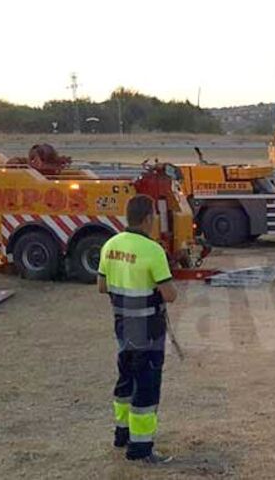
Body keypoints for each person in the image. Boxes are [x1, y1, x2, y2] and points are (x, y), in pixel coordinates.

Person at [97, 194, 178, 464]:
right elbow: (169, 294)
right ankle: (140, 449)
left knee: (125, 380)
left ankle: (122, 435)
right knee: (146, 386)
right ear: (148, 219)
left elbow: (101, 286)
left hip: (123, 326)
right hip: (147, 329)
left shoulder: (110, 245)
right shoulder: (152, 250)